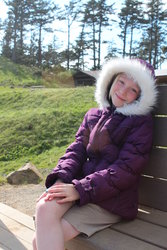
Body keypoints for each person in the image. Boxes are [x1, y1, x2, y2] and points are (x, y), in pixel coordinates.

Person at [32, 58, 158, 250]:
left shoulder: (140, 123)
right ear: (110, 80)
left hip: (112, 201)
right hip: (84, 190)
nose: (123, 92)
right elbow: (76, 150)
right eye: (121, 82)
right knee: (44, 207)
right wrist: (61, 180)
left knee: (40, 240)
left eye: (133, 89)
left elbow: (125, 170)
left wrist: (80, 189)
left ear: (140, 96)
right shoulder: (94, 115)